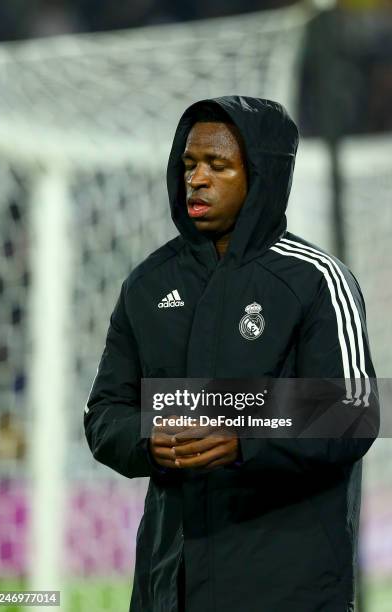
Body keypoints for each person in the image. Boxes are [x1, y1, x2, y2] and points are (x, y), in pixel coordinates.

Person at [84, 96, 378, 612]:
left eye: (217, 165)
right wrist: (147, 440)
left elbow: (354, 411)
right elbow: (105, 413)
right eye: (189, 164)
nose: (196, 178)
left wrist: (243, 438)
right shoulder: (148, 283)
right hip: (165, 586)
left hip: (289, 590)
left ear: (260, 176)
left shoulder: (316, 280)